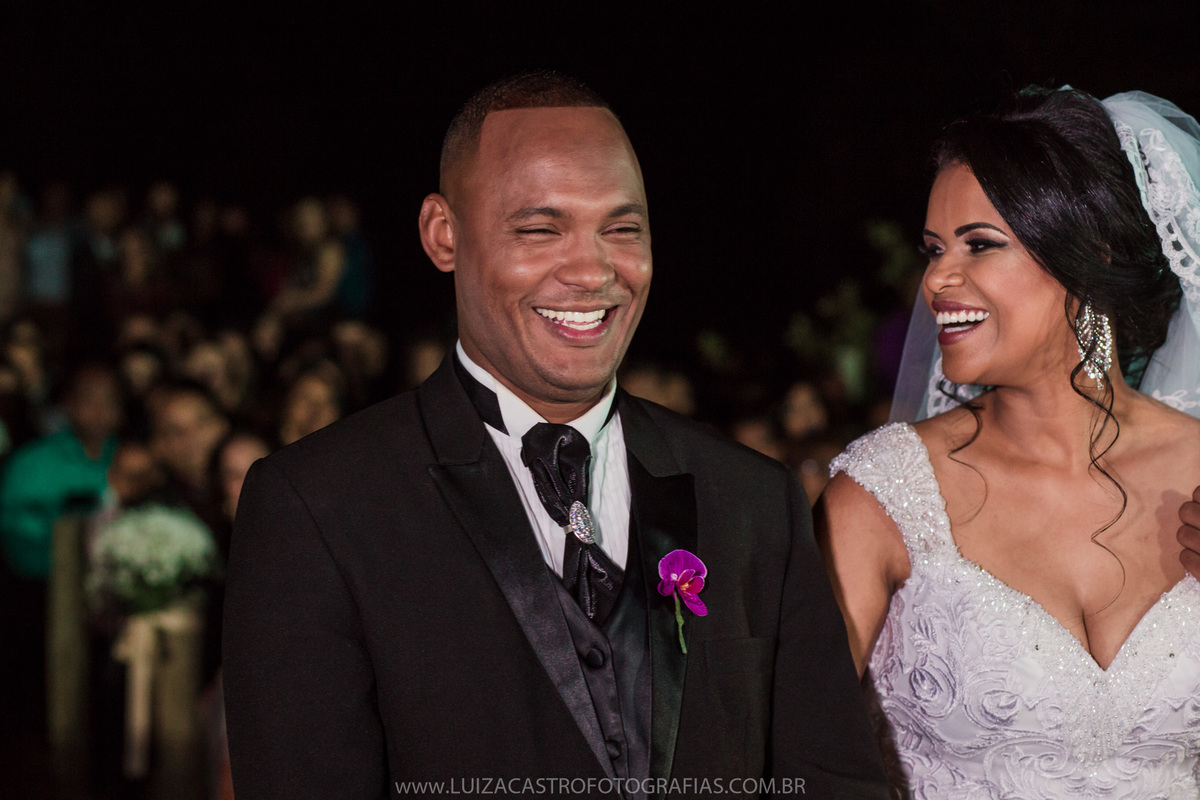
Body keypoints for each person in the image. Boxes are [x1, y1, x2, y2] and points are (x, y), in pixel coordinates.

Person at [224, 71, 887, 799]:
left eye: (622, 229)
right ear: (444, 234)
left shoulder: (754, 500)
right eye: (541, 230)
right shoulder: (317, 506)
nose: (593, 270)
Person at [818, 87, 1200, 796]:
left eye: (980, 245)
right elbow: (797, 753)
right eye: (934, 250)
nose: (937, 279)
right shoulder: (882, 496)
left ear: (1088, 257)